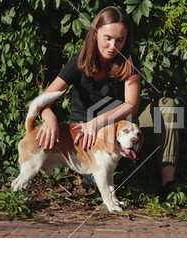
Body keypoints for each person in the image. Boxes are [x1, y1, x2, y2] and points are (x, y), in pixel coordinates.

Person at [35, 6, 178, 199]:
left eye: (120, 40)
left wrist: (99, 121)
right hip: (86, 133)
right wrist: (49, 117)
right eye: (107, 38)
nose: (113, 46)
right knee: (97, 183)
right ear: (95, 34)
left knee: (166, 105)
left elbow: (131, 105)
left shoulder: (128, 60)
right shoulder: (79, 61)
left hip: (120, 125)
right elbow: (43, 99)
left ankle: (167, 186)